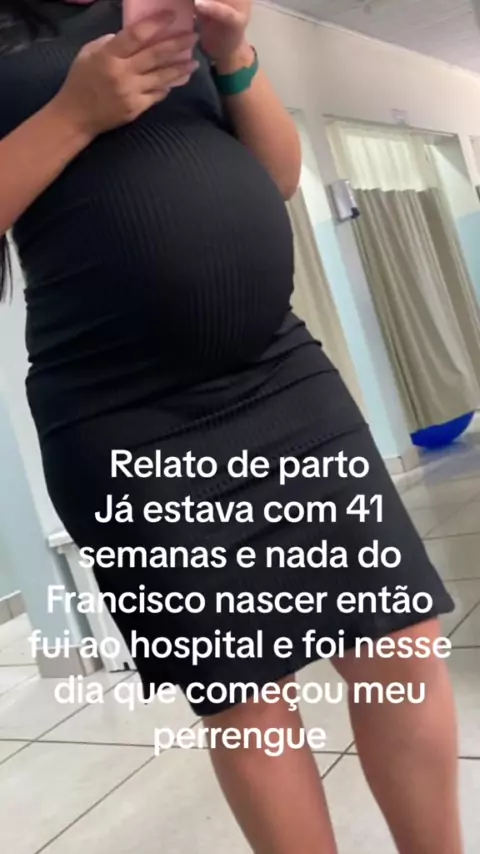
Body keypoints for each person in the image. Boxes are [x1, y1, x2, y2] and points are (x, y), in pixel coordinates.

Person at [0, 1, 463, 851]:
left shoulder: (159, 10)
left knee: (400, 641)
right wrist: (73, 113)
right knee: (245, 690)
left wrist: (233, 52)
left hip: (280, 377)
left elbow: (278, 176)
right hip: (123, 420)